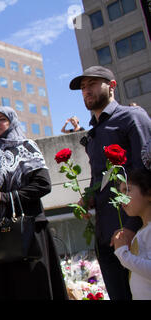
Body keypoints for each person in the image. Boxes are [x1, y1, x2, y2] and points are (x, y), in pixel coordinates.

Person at [70, 65, 151, 300]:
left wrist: (132, 226)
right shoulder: (93, 133)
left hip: (135, 234)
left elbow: (145, 173)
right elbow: (101, 179)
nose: (86, 90)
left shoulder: (132, 117)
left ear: (112, 86)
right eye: (83, 87)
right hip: (106, 235)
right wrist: (89, 198)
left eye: (92, 84)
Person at [0, 106, 68, 300]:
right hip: (1, 235)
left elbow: (43, 185)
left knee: (31, 288)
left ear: (12, 122)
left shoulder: (26, 146)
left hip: (27, 230)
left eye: (1, 119)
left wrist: (4, 197)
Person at [113, 168, 151, 300]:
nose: (121, 198)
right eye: (120, 192)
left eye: (127, 190)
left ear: (149, 193)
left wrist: (122, 254)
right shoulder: (143, 230)